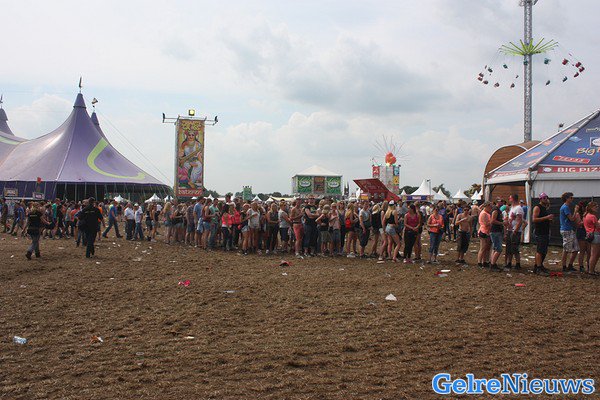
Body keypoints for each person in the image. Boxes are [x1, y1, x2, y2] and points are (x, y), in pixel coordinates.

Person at [532, 193, 553, 275]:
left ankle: (538, 265)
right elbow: (534, 219)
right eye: (544, 198)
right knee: (540, 250)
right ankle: (538, 268)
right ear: (540, 199)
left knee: (544, 250)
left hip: (545, 231)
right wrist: (546, 218)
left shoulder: (545, 208)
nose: (545, 199)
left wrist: (549, 220)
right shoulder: (537, 207)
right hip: (540, 232)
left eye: (546, 197)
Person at [559, 192, 579, 272]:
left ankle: (570, 265)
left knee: (576, 248)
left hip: (569, 229)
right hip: (566, 230)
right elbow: (572, 219)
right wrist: (575, 211)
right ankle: (564, 266)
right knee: (566, 249)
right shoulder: (565, 207)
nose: (572, 199)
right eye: (571, 198)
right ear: (567, 198)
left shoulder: (566, 207)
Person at [506, 194, 524, 270]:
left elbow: (520, 221)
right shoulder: (512, 208)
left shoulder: (518, 208)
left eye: (510, 198)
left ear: (513, 199)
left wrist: (515, 230)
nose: (509, 199)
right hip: (510, 230)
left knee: (515, 248)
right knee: (509, 248)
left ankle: (518, 263)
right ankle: (509, 263)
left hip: (515, 231)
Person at [583, 202, 600, 275]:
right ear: (591, 208)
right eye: (595, 207)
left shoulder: (585, 215)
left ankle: (591, 269)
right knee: (594, 254)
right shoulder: (593, 216)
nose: (597, 208)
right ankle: (591, 271)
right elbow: (598, 226)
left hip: (590, 235)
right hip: (595, 235)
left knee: (594, 254)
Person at [575, 201, 590, 273]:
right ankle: (581, 266)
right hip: (581, 232)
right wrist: (585, 220)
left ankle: (589, 266)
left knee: (589, 251)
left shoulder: (589, 214)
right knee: (582, 251)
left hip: (588, 232)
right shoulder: (578, 214)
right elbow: (578, 224)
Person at [477, 202, 493, 269]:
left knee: (487, 248)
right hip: (483, 231)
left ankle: (485, 261)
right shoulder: (484, 213)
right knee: (483, 248)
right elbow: (485, 224)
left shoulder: (487, 213)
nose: (491, 208)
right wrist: (492, 221)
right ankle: (479, 262)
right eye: (490, 207)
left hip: (487, 231)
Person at [489, 200, 504, 270]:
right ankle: (493, 264)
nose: (503, 202)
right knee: (498, 249)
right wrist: (502, 223)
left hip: (496, 231)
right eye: (501, 201)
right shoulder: (495, 210)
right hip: (495, 231)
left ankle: (492, 263)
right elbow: (492, 221)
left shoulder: (498, 210)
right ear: (498, 202)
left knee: (495, 248)